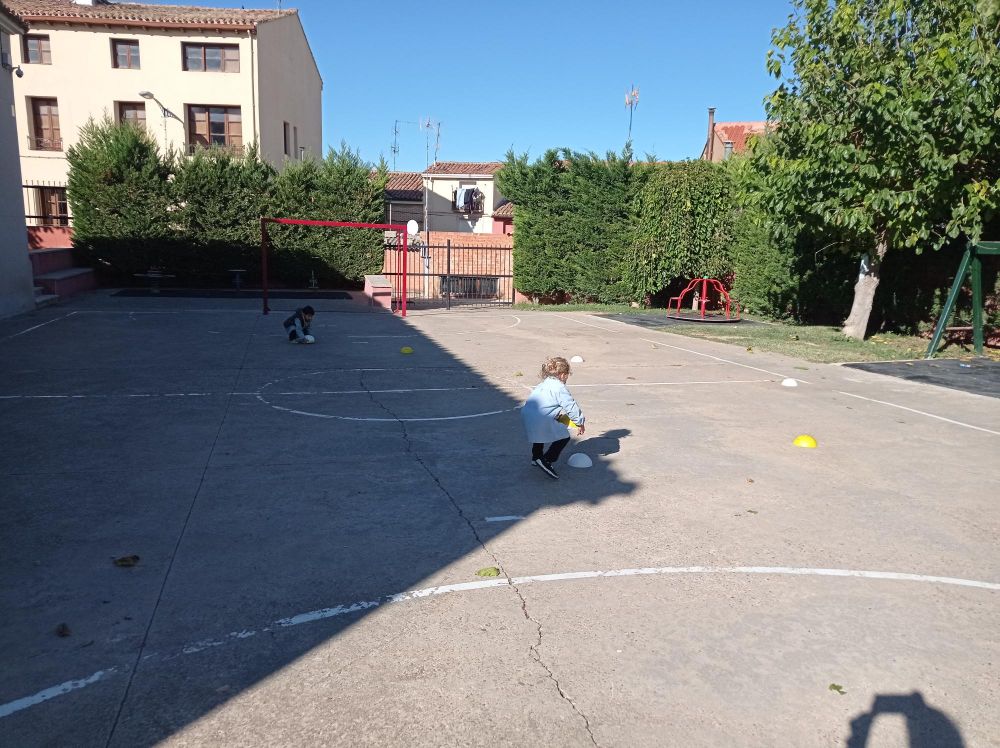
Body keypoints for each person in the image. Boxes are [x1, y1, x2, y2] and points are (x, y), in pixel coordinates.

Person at [521, 356, 585, 479]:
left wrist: (555, 415)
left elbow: (544, 404)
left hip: (527, 414)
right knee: (564, 436)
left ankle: (536, 457)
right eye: (567, 375)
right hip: (541, 417)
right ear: (562, 374)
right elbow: (571, 406)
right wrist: (579, 422)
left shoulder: (543, 384)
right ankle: (547, 460)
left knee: (538, 435)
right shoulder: (559, 387)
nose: (566, 378)